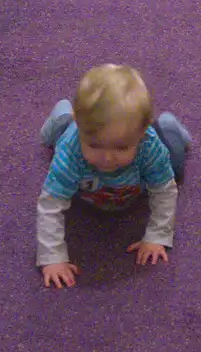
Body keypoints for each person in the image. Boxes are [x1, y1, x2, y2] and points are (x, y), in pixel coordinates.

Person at [36, 63, 191, 289]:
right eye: (95, 145)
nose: (107, 158)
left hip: (139, 176)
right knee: (59, 131)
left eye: (121, 148)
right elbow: (50, 204)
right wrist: (52, 257)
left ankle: (169, 125)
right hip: (74, 141)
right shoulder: (71, 151)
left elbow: (164, 190)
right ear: (81, 128)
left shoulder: (149, 145)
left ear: (141, 134)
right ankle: (62, 114)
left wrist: (157, 235)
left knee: (176, 163)